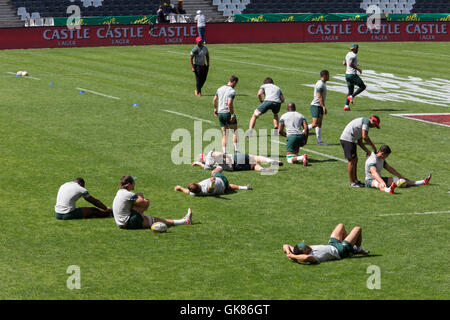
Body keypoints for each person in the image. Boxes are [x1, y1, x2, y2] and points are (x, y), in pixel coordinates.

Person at [112, 174, 193, 229]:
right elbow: (144, 203)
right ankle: (185, 221)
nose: (135, 183)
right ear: (129, 184)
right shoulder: (128, 194)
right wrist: (146, 201)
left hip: (121, 224)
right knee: (141, 196)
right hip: (129, 222)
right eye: (133, 182)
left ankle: (184, 221)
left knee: (155, 220)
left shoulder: (119, 192)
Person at [282, 223, 370, 264]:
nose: (308, 246)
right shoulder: (312, 257)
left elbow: (285, 245)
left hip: (332, 244)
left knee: (340, 226)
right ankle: (358, 250)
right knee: (357, 229)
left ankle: (352, 247)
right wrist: (294, 257)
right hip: (340, 250)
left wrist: (289, 253)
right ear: (303, 253)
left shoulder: (299, 250)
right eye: (305, 247)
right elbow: (306, 258)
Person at [365, 145, 432, 194]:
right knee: (378, 183)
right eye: (387, 156)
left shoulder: (381, 159)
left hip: (379, 178)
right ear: (382, 154)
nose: (387, 157)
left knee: (401, 180)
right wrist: (382, 182)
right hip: (370, 181)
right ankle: (389, 190)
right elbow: (374, 173)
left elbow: (389, 168)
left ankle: (423, 182)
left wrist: (401, 176)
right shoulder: (372, 160)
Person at [340, 116, 380, 188]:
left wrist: (368, 151)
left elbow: (360, 142)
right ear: (372, 121)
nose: (374, 127)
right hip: (348, 140)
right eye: (375, 125)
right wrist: (373, 146)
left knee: (355, 160)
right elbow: (365, 137)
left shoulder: (364, 125)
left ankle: (355, 181)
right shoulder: (366, 122)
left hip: (349, 140)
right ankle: (352, 182)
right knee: (351, 161)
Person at [174, 167, 252, 196]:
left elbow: (186, 191)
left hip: (223, 189)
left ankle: (245, 187)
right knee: (215, 171)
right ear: (198, 185)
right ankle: (224, 165)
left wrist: (180, 188)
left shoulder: (193, 193)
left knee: (229, 187)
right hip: (220, 179)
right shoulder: (205, 189)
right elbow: (210, 188)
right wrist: (213, 182)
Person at [213, 75, 239, 154]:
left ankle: (224, 152)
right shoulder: (231, 91)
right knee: (235, 132)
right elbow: (229, 103)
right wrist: (232, 114)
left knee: (225, 134)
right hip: (227, 113)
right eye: (236, 83)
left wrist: (215, 109)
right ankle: (237, 151)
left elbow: (214, 100)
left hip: (220, 113)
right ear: (234, 82)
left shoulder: (220, 89)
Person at [192, 151, 282, 173]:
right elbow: (217, 154)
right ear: (203, 155)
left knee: (253, 166)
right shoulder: (209, 154)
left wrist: (197, 163)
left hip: (233, 168)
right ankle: (272, 161)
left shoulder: (207, 166)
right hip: (233, 158)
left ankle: (263, 170)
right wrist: (226, 155)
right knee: (254, 157)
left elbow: (203, 166)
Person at [278, 102, 309, 166]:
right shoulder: (301, 115)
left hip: (292, 137)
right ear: (295, 108)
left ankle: (302, 157)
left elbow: (280, 130)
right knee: (294, 155)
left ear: (287, 108)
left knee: (289, 159)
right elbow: (306, 128)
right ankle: (300, 158)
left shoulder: (284, 116)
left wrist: (287, 136)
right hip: (301, 136)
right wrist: (305, 139)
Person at [307, 70, 329, 145]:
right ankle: (300, 133)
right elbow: (319, 96)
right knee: (315, 124)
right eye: (328, 75)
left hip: (319, 106)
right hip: (316, 106)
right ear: (324, 76)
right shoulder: (320, 84)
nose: (329, 76)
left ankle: (319, 141)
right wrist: (323, 107)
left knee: (319, 124)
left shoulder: (323, 83)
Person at [342, 44, 366, 111]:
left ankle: (346, 106)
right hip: (352, 75)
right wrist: (357, 68)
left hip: (347, 75)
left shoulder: (348, 54)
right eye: (357, 49)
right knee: (363, 86)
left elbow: (344, 63)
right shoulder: (353, 55)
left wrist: (354, 64)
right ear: (355, 49)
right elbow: (350, 63)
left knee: (350, 90)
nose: (357, 50)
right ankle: (352, 96)